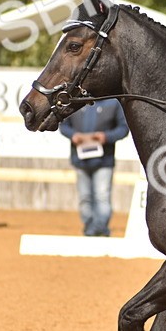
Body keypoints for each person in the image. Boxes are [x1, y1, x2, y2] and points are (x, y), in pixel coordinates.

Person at [59, 97, 129, 237]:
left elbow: (123, 128)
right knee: (85, 197)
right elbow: (63, 125)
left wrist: (106, 136)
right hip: (80, 159)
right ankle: (89, 227)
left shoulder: (113, 103)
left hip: (104, 160)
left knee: (102, 196)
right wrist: (73, 135)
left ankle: (100, 228)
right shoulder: (75, 102)